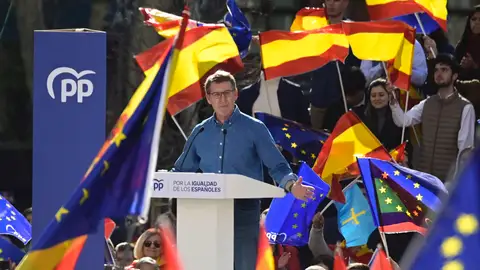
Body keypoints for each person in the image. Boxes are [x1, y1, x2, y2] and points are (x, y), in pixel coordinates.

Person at [172, 70, 314, 270]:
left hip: (245, 215)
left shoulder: (255, 128)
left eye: (227, 93)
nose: (223, 99)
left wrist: (291, 185)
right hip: (207, 216)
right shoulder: (200, 132)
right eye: (217, 94)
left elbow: (277, 165)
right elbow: (180, 173)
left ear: (236, 94)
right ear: (209, 98)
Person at [387, 54, 476, 181]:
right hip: (424, 179)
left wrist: (455, 185)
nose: (439, 73)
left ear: (455, 75)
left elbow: (465, 151)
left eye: (444, 70)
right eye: (436, 70)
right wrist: (392, 98)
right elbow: (403, 121)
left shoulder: (465, 107)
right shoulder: (427, 103)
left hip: (448, 182)